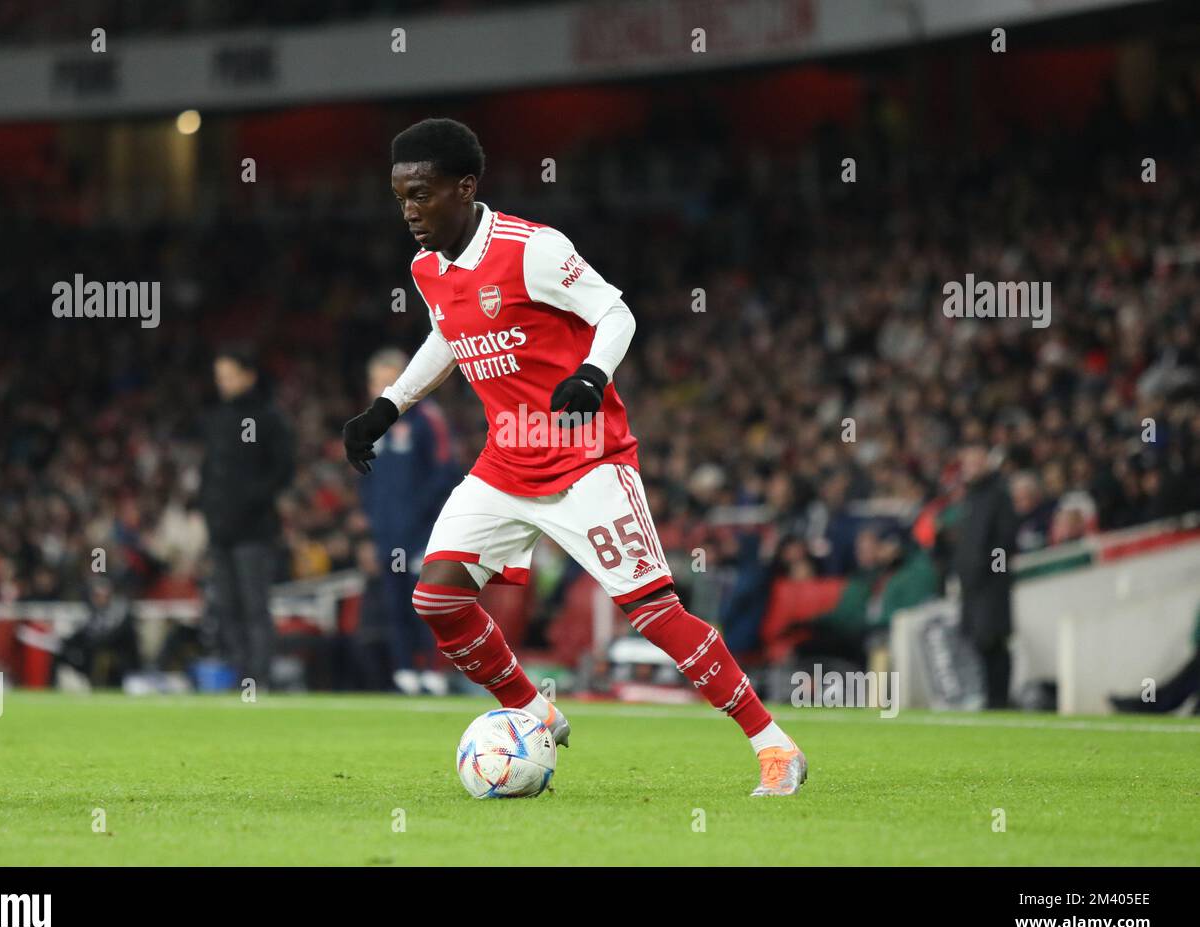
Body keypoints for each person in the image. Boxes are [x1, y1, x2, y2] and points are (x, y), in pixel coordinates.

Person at [343, 118, 805, 796]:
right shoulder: (426, 267)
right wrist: (388, 406)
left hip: (586, 462)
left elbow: (616, 312)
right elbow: (449, 336)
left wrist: (591, 374)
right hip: (507, 460)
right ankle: (534, 709)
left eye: (422, 193)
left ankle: (773, 744)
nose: (409, 210)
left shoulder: (531, 249)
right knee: (437, 596)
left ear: (465, 187)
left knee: (653, 613)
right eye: (400, 196)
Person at [357, 347, 460, 695]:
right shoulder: (371, 424)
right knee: (394, 603)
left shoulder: (428, 418)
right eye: (378, 383)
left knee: (427, 603)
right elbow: (366, 482)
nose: (384, 389)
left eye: (392, 381)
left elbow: (446, 472)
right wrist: (371, 534)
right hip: (386, 536)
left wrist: (421, 522)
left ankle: (433, 669)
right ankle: (403, 670)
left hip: (421, 534)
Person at [199, 342, 295, 692]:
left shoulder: (269, 418)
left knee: (254, 606)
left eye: (228, 375)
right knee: (227, 606)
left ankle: (260, 678)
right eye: (219, 376)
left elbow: (283, 469)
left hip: (254, 529)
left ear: (248, 376)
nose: (222, 382)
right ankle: (240, 675)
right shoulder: (216, 418)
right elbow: (210, 472)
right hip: (220, 529)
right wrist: (208, 511)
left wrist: (251, 500)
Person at [951, 441, 1018, 709]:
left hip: (991, 584)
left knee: (994, 642)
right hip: (972, 584)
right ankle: (991, 698)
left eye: (975, 462)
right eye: (966, 463)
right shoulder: (971, 497)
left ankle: (999, 699)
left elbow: (1005, 539)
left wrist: (995, 574)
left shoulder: (998, 494)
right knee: (981, 643)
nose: (970, 468)